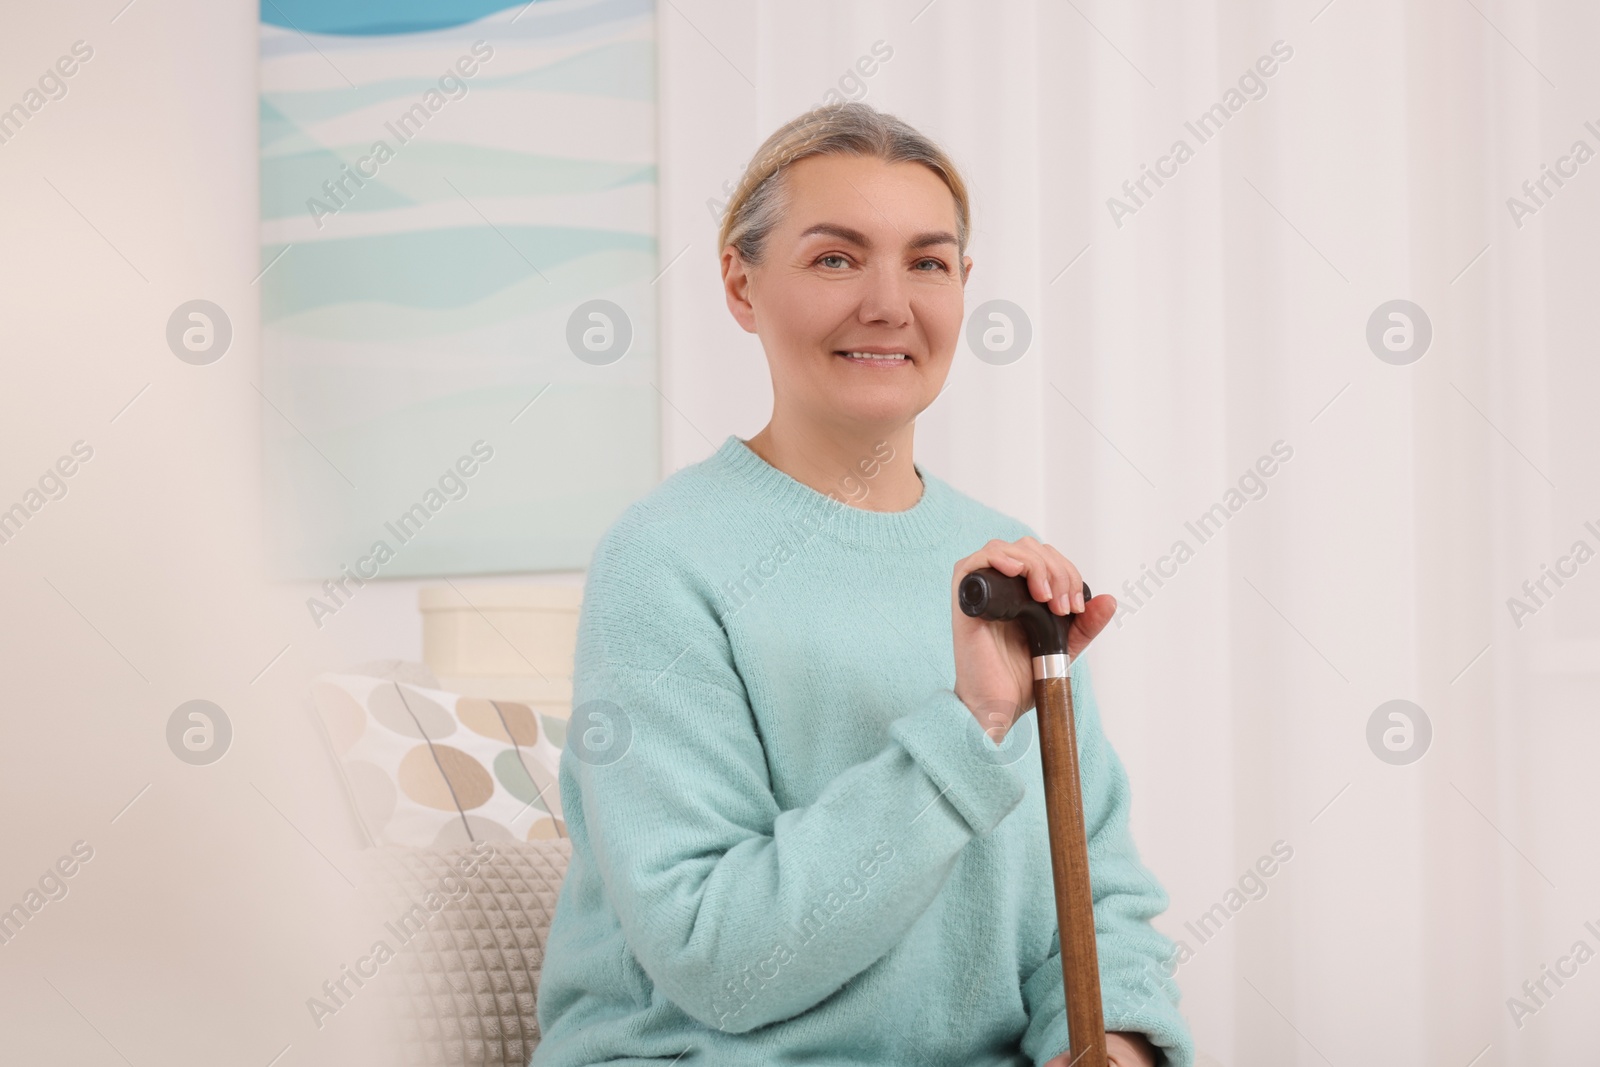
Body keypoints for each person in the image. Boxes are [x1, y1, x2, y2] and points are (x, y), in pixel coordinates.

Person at [532, 101, 1194, 1067]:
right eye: (836, 258)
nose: (889, 303)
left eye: (927, 262)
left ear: (964, 287)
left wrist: (1111, 1046)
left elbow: (1095, 899)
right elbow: (720, 957)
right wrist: (969, 730)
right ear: (741, 283)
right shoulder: (664, 559)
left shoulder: (1003, 567)